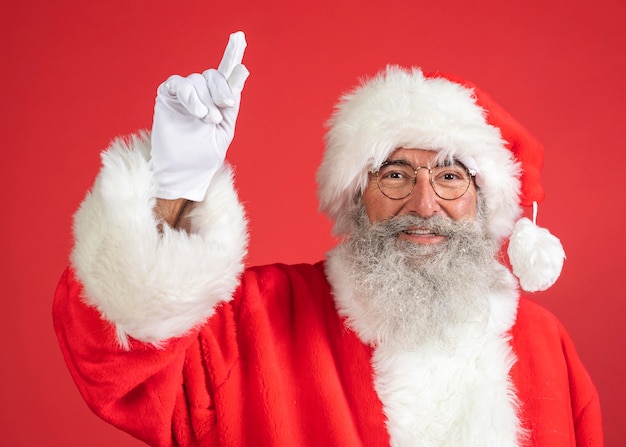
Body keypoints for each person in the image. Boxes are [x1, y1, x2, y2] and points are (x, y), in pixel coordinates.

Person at [53, 31, 603, 446]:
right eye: (394, 174)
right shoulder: (255, 321)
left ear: (485, 204)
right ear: (355, 196)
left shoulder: (544, 345)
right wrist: (176, 187)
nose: (423, 203)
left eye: (451, 176)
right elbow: (122, 361)